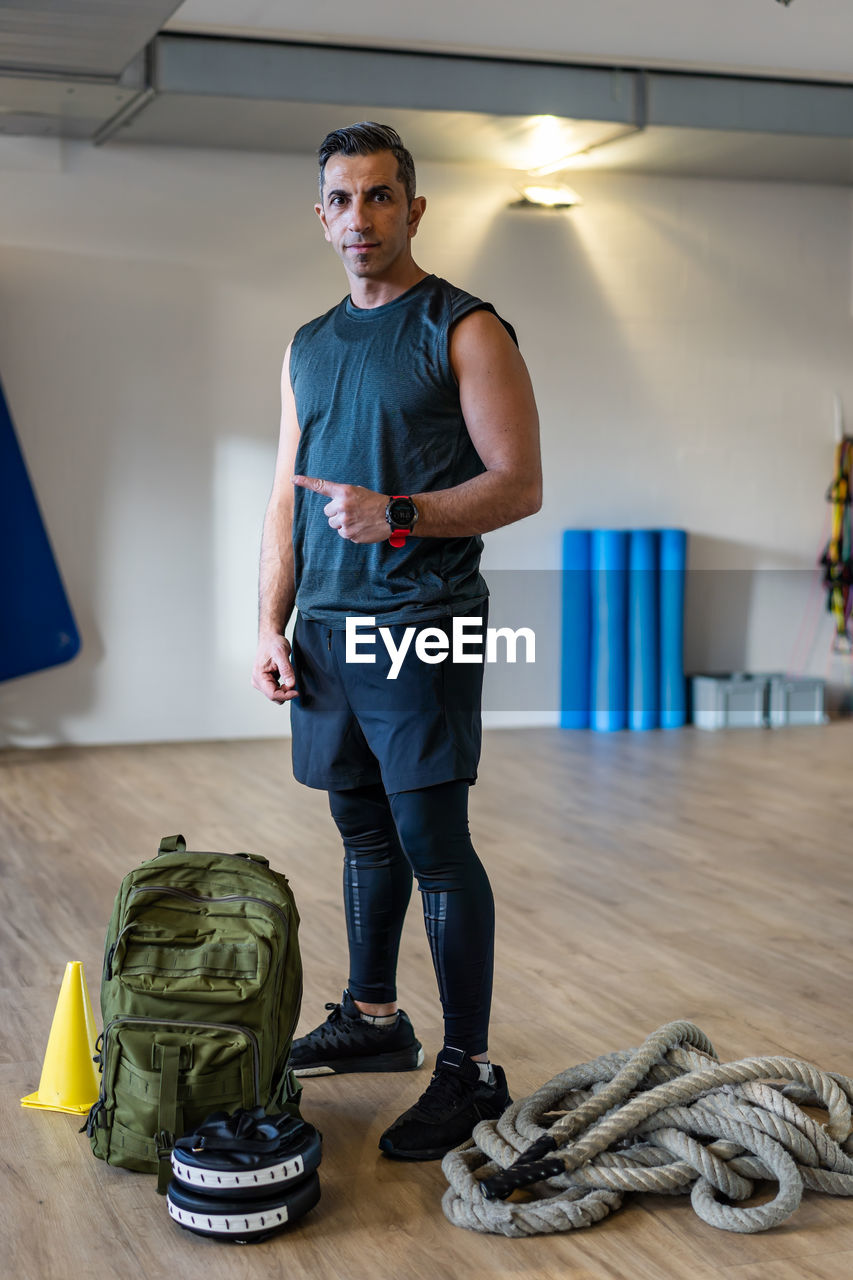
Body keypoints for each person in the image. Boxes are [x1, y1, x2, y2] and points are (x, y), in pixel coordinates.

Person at [252, 122, 542, 1161]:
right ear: (321, 213)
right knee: (361, 833)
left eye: (380, 197)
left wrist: (401, 515)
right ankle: (374, 1019)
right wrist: (268, 622)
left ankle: (470, 1067)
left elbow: (517, 482)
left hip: (420, 623)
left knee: (433, 843)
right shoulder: (307, 344)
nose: (360, 217)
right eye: (342, 198)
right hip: (326, 632)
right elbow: (285, 499)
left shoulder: (462, 327)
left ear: (412, 210)